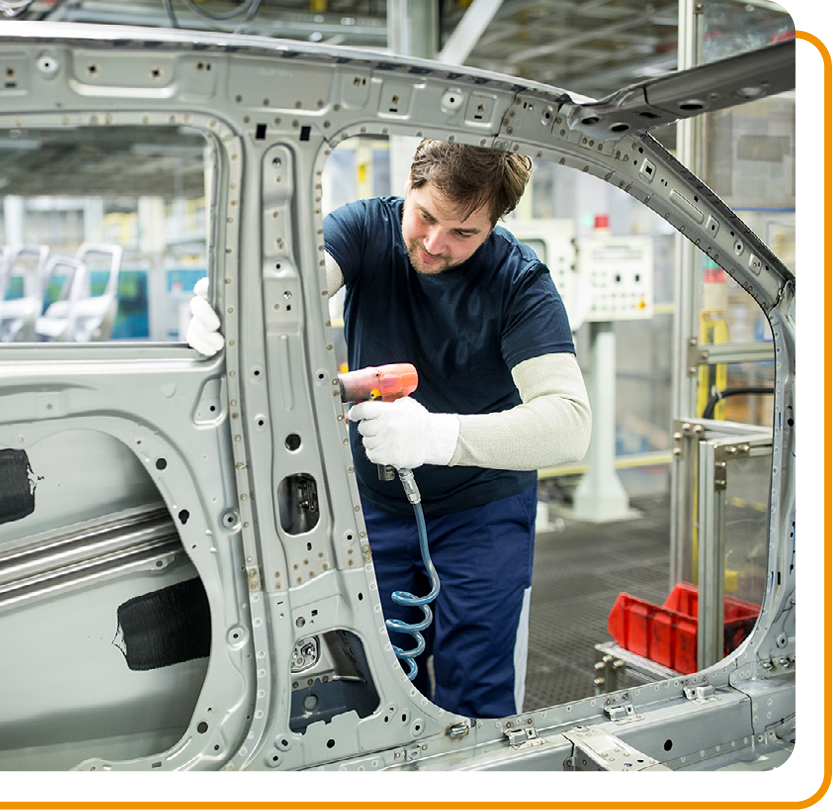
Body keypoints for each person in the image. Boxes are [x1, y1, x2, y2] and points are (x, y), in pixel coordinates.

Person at [187, 139, 591, 720]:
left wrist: (440, 439)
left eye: (463, 233)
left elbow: (569, 424)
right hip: (374, 503)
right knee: (368, 683)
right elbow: (288, 285)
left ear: (496, 223)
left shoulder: (519, 281)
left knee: (476, 692)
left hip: (485, 510)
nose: (434, 244)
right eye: (425, 216)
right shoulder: (364, 231)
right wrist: (232, 305)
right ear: (410, 186)